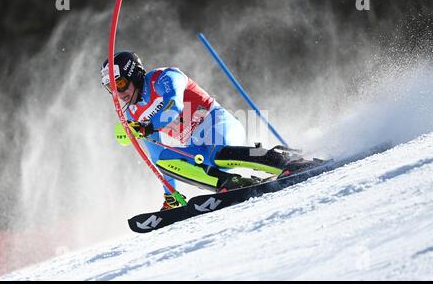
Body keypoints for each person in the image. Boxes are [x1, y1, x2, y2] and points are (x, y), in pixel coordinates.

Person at [101, 51, 315, 210]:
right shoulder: (133, 115)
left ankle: (284, 161)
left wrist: (147, 126)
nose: (119, 93)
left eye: (120, 83)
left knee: (214, 153)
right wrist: (171, 194)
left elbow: (173, 106)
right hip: (197, 146)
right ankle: (229, 183)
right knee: (165, 161)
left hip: (218, 125)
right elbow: (156, 154)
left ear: (136, 75)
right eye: (112, 88)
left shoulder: (164, 78)